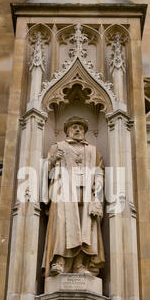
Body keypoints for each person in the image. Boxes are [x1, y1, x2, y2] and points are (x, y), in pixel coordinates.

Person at [42, 117, 105, 277]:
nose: (77, 130)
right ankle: (60, 261)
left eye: (81, 128)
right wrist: (53, 160)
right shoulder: (58, 147)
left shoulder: (92, 150)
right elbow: (46, 169)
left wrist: (97, 183)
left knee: (85, 227)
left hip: (85, 192)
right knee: (63, 225)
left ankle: (80, 264)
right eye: (74, 127)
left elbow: (99, 170)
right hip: (63, 192)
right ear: (67, 130)